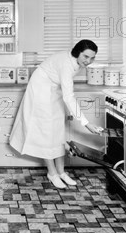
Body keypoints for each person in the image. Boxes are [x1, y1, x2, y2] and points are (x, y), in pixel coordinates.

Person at [9, 40, 104, 188]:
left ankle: (61, 172)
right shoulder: (66, 65)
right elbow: (69, 97)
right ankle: (52, 172)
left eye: (92, 58)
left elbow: (65, 90)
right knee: (46, 132)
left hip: (53, 89)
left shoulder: (77, 62)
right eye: (86, 56)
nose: (88, 61)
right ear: (77, 52)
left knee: (58, 130)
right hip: (40, 89)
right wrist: (86, 122)